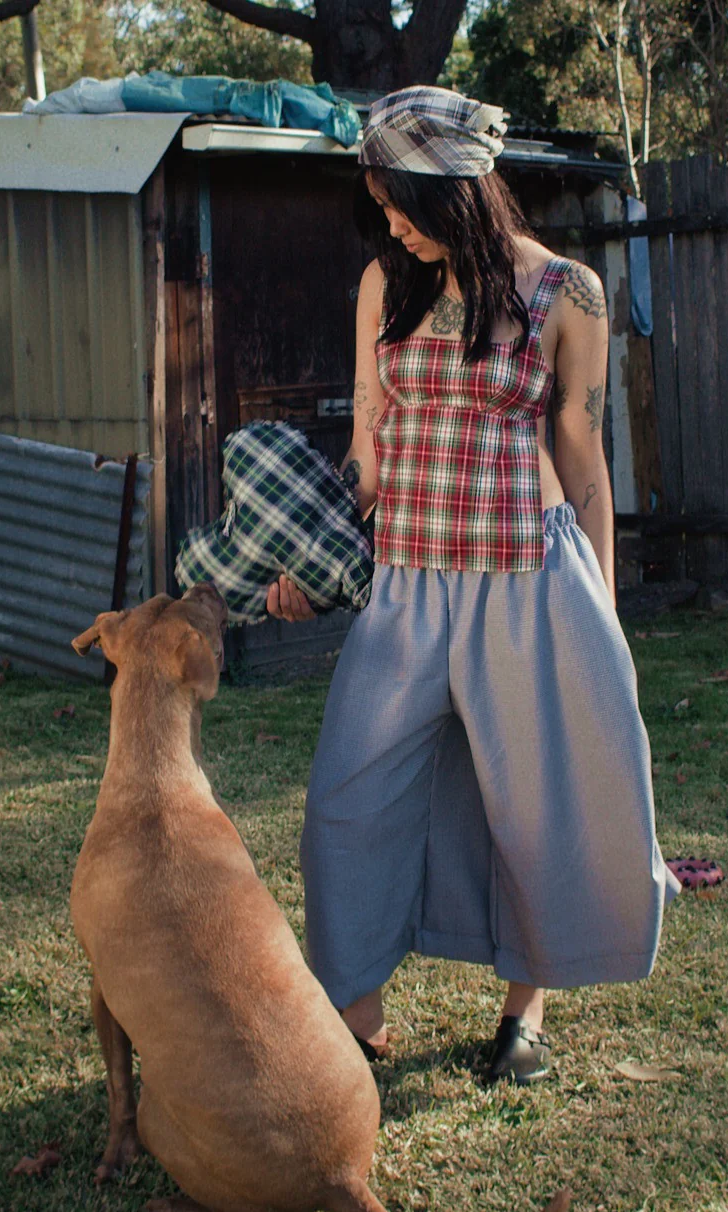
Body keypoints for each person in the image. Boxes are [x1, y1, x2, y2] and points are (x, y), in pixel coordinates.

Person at [267, 86, 679, 1084]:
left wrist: (604, 613)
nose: (393, 227)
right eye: (382, 210)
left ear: (455, 191)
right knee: (347, 801)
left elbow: (583, 460)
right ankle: (356, 1013)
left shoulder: (570, 294)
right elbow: (369, 446)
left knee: (529, 811)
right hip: (406, 588)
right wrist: (311, 550)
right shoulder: (387, 284)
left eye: (402, 206)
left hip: (527, 586)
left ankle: (523, 1012)